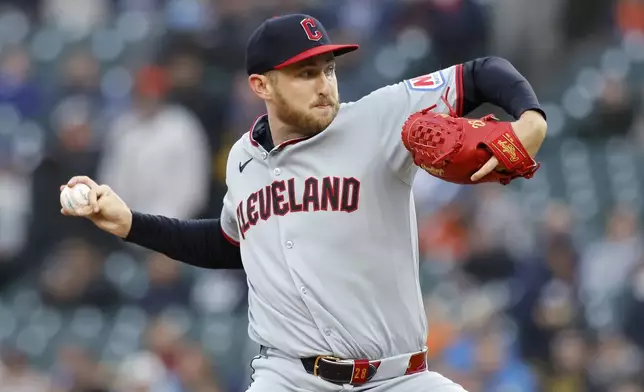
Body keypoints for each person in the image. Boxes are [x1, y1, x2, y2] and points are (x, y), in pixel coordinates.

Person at [61, 14, 547, 392]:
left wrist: (530, 118)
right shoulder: (242, 160)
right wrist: (131, 224)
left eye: (329, 69)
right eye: (305, 72)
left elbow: (484, 73)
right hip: (290, 378)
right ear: (261, 86)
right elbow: (229, 245)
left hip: (400, 377)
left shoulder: (377, 118)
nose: (324, 85)